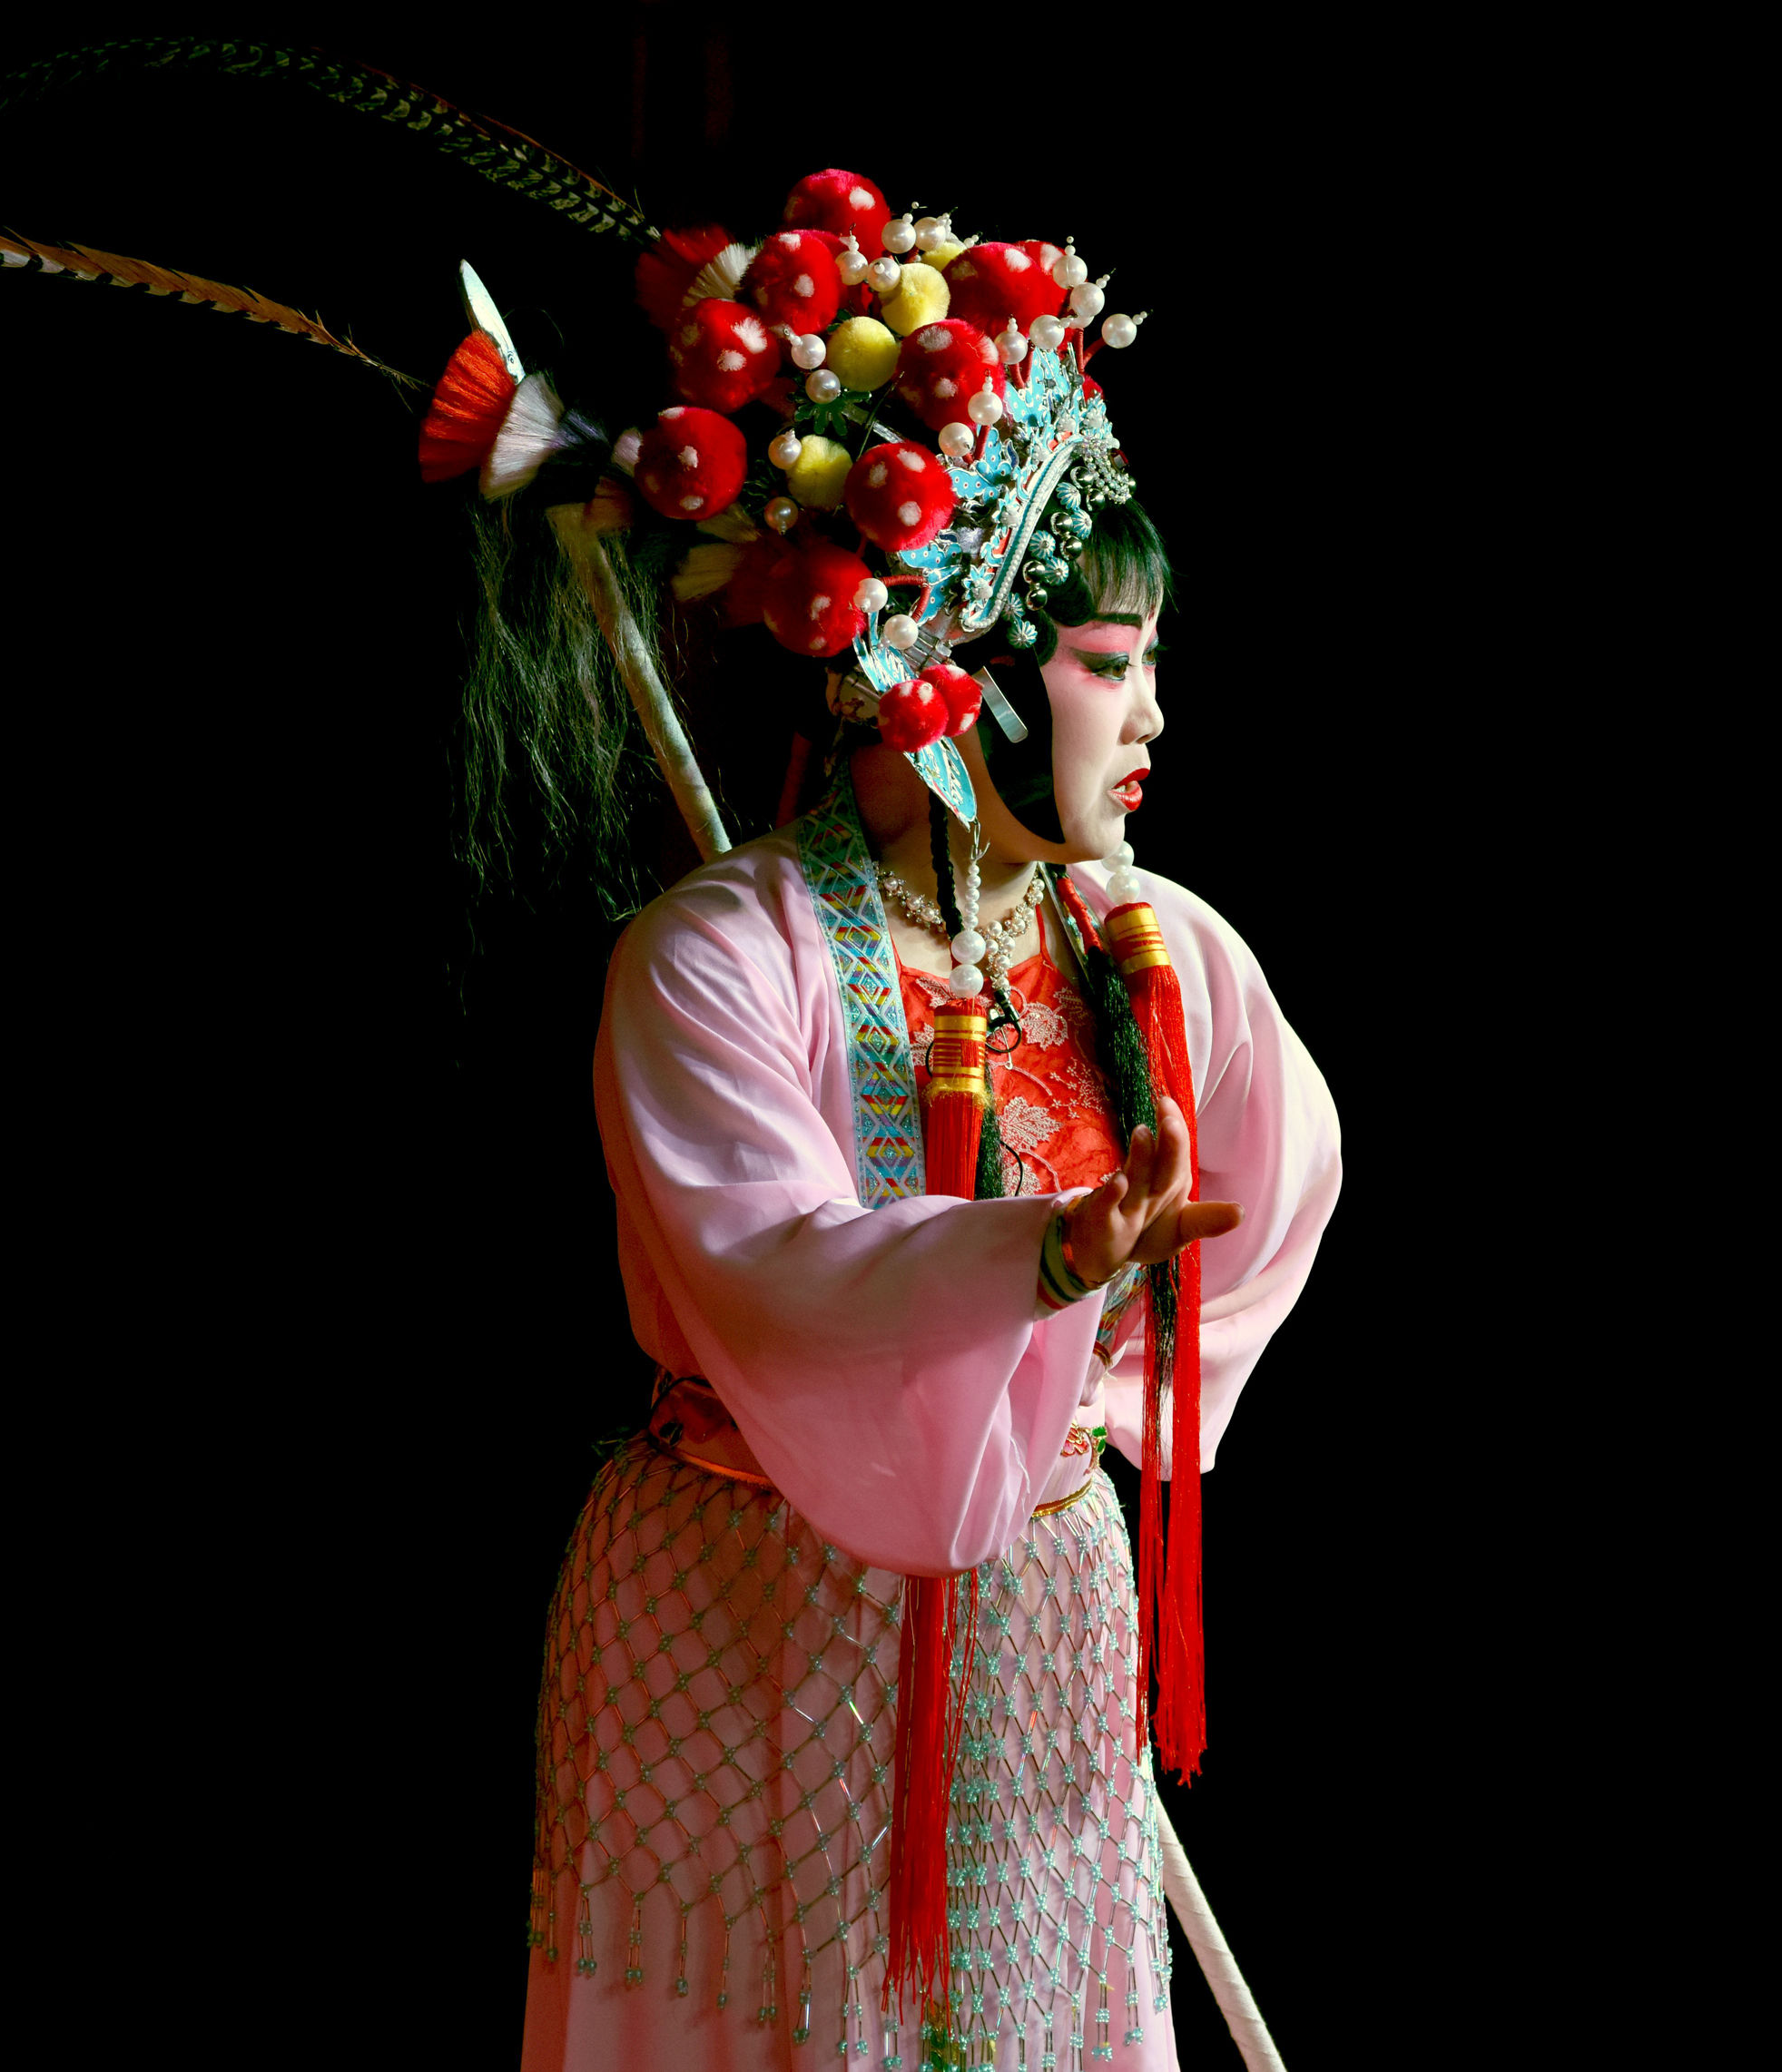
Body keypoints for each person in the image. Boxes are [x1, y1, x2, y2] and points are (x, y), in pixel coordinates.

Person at [418, 178, 1344, 2068]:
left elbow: (1282, 1177)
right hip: (740, 1590)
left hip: (1040, 1592)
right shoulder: (712, 959)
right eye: (1110, 666)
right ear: (956, 677)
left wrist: (1082, 1389)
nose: (1153, 716)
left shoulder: (1153, 945)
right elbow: (775, 1271)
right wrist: (1045, 1258)